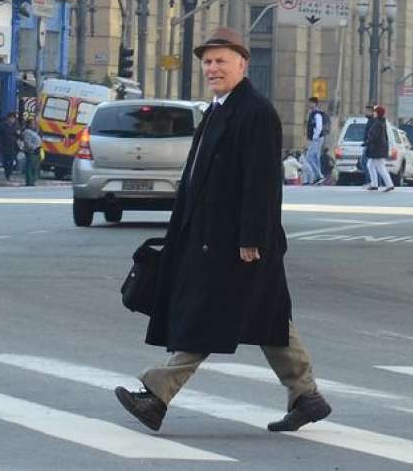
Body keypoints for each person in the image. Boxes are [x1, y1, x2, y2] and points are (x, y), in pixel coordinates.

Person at [114, 27, 331, 434]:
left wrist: (251, 238)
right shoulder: (218, 108)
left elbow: (262, 182)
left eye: (221, 61)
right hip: (212, 237)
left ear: (242, 64)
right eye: (208, 62)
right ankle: (306, 396)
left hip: (237, 242)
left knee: (206, 315)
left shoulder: (255, 112)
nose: (213, 68)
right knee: (269, 317)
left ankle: (156, 395)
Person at [364, 105, 393, 191]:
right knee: (370, 165)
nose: (374, 113)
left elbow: (374, 136)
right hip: (379, 148)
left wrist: (367, 142)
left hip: (377, 148)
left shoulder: (377, 123)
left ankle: (389, 184)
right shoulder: (381, 122)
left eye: (375, 112)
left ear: (378, 113)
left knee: (380, 166)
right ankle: (374, 184)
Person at [303, 97, 328, 184]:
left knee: (309, 157)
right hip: (315, 138)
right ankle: (318, 177)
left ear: (315, 104)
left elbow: (319, 126)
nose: (309, 105)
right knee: (315, 157)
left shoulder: (317, 114)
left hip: (317, 138)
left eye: (311, 103)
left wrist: (314, 137)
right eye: (309, 103)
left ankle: (319, 175)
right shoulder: (312, 113)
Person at [0, 112, 20, 181]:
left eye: (13, 118)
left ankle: (9, 174)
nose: (12, 120)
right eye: (11, 118)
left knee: (11, 161)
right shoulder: (4, 125)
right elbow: (0, 135)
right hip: (5, 145)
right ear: (8, 118)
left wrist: (18, 134)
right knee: (5, 161)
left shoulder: (16, 126)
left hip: (13, 146)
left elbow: (19, 135)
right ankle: (6, 173)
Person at [21, 117, 42, 186]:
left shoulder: (34, 132)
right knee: (30, 167)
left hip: (37, 151)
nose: (34, 125)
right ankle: (29, 181)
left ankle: (33, 181)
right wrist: (33, 148)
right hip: (31, 151)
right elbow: (27, 142)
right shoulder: (27, 132)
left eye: (34, 124)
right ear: (29, 125)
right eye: (33, 124)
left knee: (35, 167)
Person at [360, 105, 374, 184]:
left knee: (365, 163)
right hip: (368, 144)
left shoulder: (372, 121)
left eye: (367, 111)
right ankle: (373, 181)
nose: (365, 112)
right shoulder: (369, 120)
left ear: (371, 112)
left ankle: (371, 180)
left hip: (369, 145)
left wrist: (367, 142)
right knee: (371, 165)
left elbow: (372, 134)